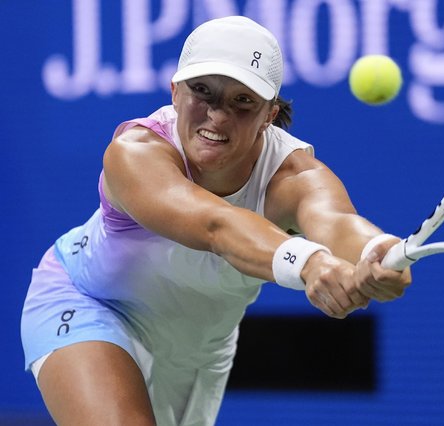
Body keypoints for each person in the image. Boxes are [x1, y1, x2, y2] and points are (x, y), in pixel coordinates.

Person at [21, 15, 411, 426]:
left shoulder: (294, 177)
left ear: (269, 115)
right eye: (202, 91)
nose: (218, 116)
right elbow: (215, 226)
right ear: (174, 92)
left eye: (243, 101)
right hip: (90, 302)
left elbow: (337, 223)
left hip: (200, 348)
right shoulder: (135, 153)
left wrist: (377, 253)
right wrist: (312, 263)